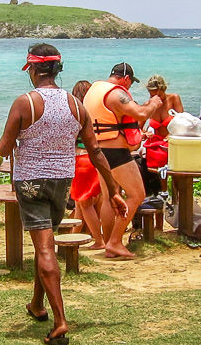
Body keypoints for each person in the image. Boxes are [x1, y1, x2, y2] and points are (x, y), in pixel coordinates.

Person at [0, 44, 127, 345]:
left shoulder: (24, 103)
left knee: (44, 249)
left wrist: (9, 145)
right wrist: (114, 190)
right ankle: (36, 305)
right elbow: (95, 151)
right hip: (62, 184)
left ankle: (60, 322)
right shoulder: (76, 105)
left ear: (32, 70)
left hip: (31, 182)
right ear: (57, 70)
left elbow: (4, 148)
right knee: (46, 244)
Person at [83, 62, 162, 259]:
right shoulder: (115, 94)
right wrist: (154, 102)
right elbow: (142, 114)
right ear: (125, 79)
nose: (129, 89)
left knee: (111, 196)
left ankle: (110, 243)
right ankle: (115, 242)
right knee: (137, 194)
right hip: (115, 153)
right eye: (129, 84)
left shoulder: (94, 89)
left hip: (98, 152)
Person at [69, 80, 107, 249]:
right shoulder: (95, 112)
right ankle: (73, 237)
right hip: (95, 158)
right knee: (81, 202)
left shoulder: (75, 112)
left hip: (80, 159)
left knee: (85, 203)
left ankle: (98, 240)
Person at [141, 75, 183, 197]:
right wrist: (145, 133)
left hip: (173, 143)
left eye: (156, 95)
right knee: (160, 176)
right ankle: (163, 197)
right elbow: (137, 125)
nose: (153, 98)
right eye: (150, 94)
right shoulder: (148, 104)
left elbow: (182, 122)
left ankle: (177, 202)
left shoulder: (174, 99)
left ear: (163, 90)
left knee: (177, 179)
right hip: (158, 146)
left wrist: (169, 136)